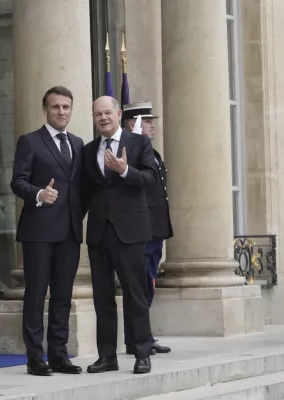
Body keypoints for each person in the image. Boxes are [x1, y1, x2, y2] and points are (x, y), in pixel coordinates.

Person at [10, 86, 84, 376]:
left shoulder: (78, 143)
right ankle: (34, 357)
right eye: (56, 107)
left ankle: (59, 354)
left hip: (69, 231)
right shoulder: (30, 141)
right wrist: (39, 194)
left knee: (63, 296)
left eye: (66, 107)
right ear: (45, 110)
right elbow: (17, 181)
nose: (61, 112)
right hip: (38, 231)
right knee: (36, 294)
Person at [82, 95, 156, 374]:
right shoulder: (89, 151)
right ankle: (106, 356)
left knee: (135, 294)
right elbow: (84, 194)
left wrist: (125, 170)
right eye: (98, 114)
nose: (103, 118)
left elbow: (150, 180)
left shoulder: (139, 144)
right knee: (102, 297)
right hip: (99, 233)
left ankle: (141, 353)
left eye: (108, 113)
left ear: (119, 113)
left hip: (130, 231)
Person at [122, 102, 172, 355]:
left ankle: (144, 336)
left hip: (156, 229)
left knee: (148, 284)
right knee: (140, 286)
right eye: (148, 120)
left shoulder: (153, 153)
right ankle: (138, 339)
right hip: (142, 229)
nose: (153, 125)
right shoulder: (129, 151)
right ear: (133, 124)